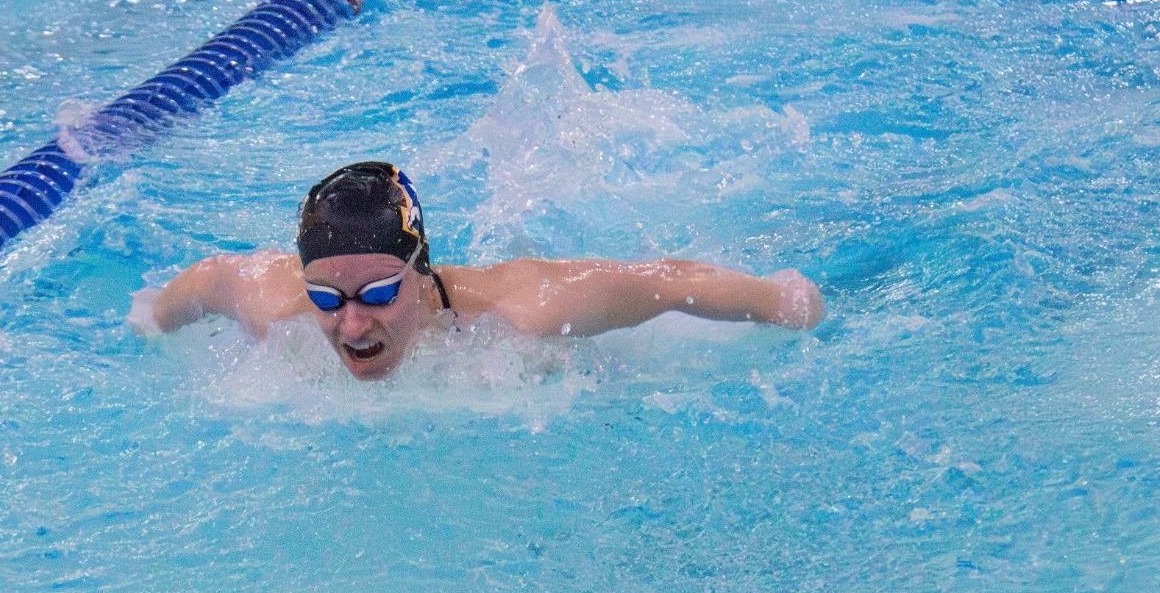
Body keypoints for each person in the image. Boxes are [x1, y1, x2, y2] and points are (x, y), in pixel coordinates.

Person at [130, 161, 824, 381]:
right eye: (327, 297)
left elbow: (668, 280)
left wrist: (789, 303)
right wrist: (149, 321)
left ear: (421, 270)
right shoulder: (273, 306)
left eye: (376, 293)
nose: (351, 322)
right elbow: (206, 280)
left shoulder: (528, 310)